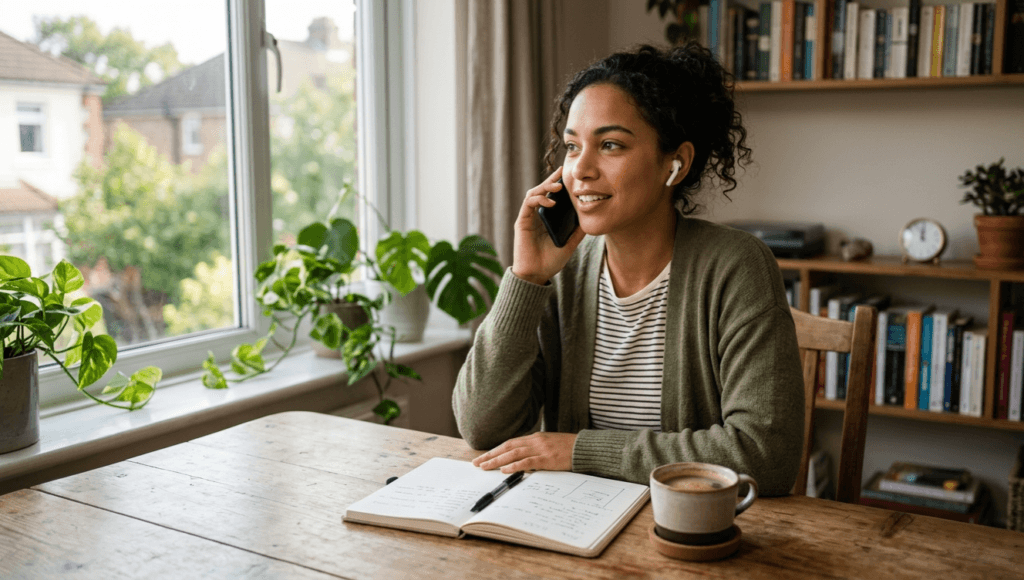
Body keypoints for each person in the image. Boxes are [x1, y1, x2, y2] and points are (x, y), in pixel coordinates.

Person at [452, 43, 804, 496]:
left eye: (611, 145)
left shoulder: (736, 267)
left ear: (675, 164)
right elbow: (483, 427)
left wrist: (581, 451)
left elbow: (766, 456)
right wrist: (527, 278)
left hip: (687, 531)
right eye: (573, 147)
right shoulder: (564, 272)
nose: (580, 169)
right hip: (575, 519)